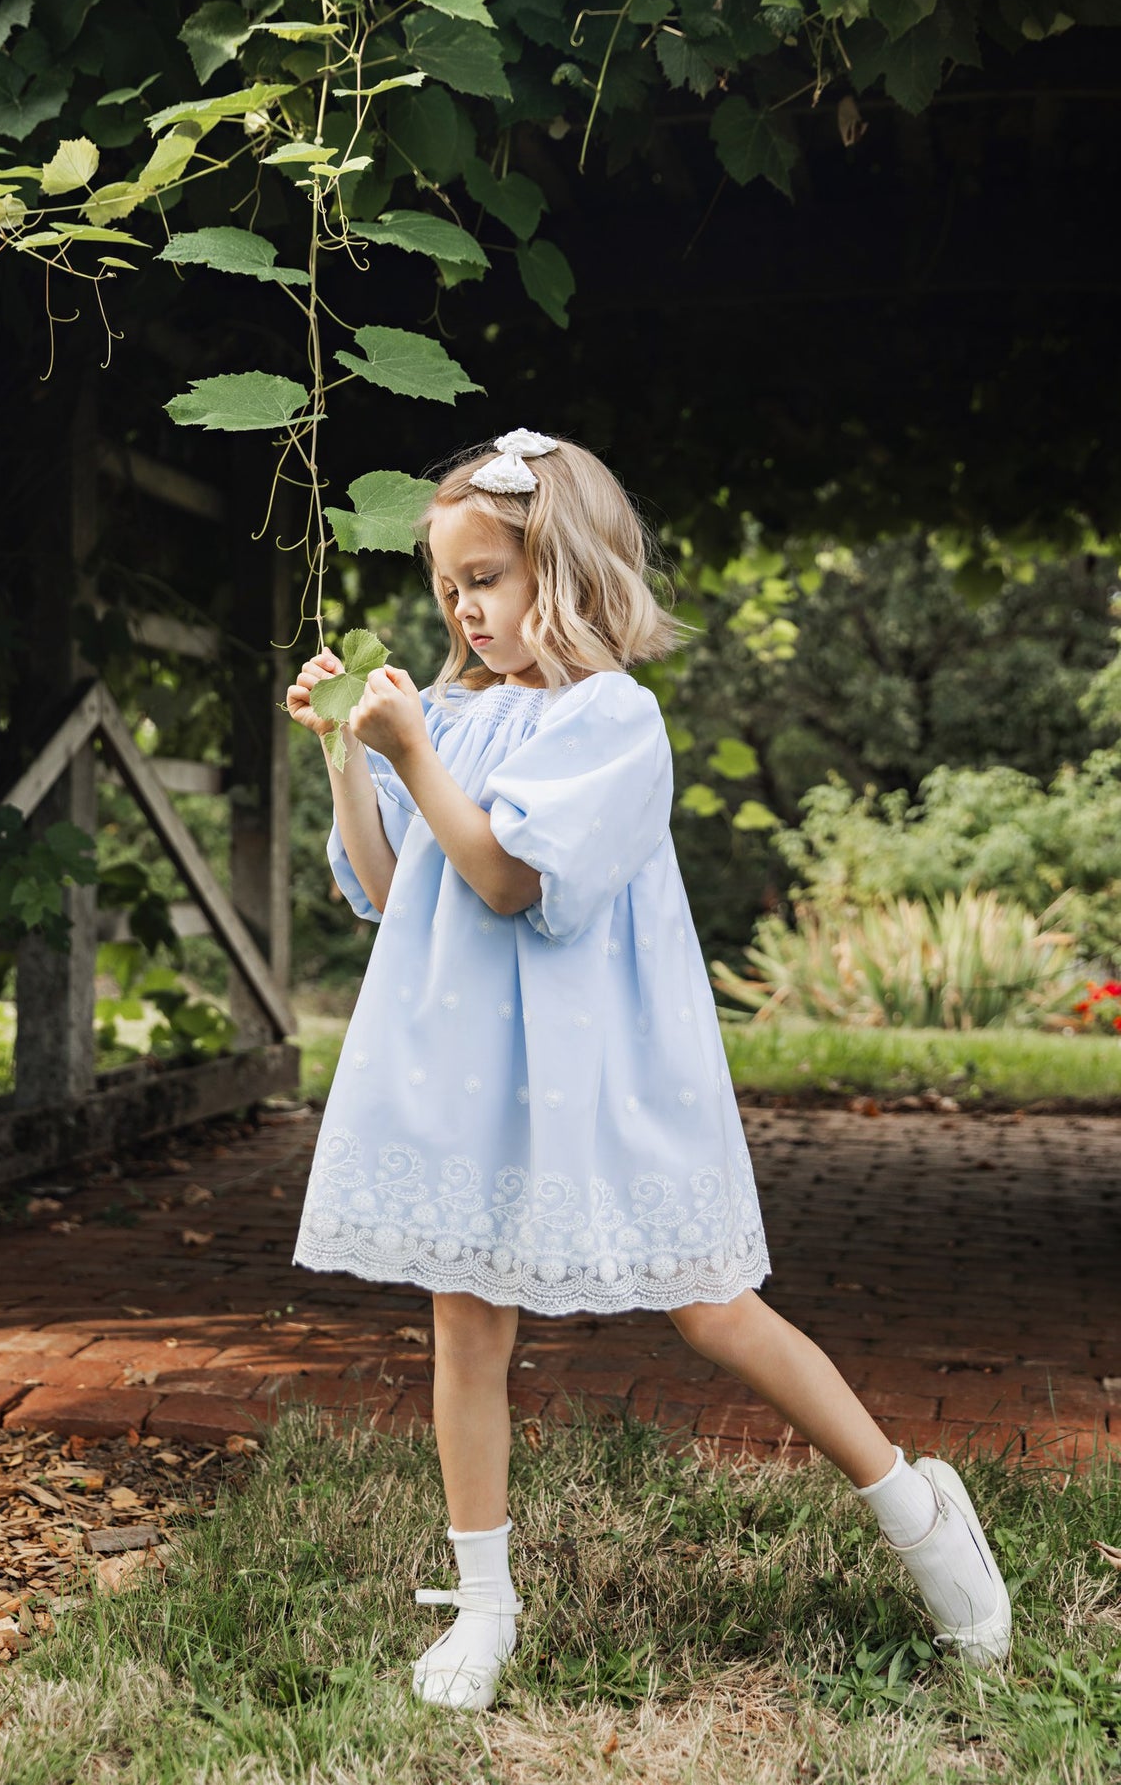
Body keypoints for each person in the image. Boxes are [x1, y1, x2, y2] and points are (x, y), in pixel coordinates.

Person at [285, 428, 1011, 1712]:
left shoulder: (611, 720)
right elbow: (393, 892)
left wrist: (413, 757)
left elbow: (509, 880)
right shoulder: (449, 714)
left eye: (488, 576)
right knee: (465, 1315)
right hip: (472, 1066)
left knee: (708, 1300)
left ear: (563, 569)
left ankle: (911, 1500)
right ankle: (484, 1599)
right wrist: (352, 754)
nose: (462, 605)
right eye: (449, 583)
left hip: (597, 1067)